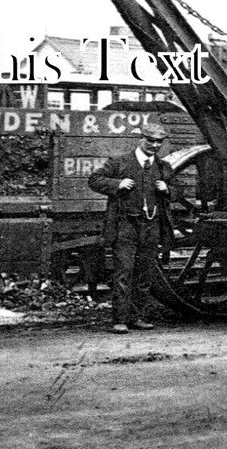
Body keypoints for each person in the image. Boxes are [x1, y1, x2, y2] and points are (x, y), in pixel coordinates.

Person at [88, 122, 175, 333]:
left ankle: (138, 317)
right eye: (150, 140)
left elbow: (178, 190)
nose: (154, 145)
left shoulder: (163, 167)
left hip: (151, 225)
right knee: (124, 272)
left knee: (145, 273)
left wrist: (168, 189)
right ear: (141, 139)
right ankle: (120, 320)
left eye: (158, 142)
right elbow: (94, 179)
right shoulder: (120, 162)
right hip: (126, 225)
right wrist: (116, 185)